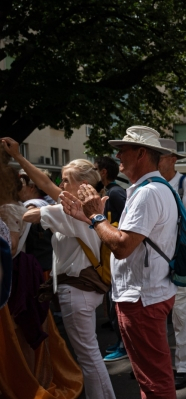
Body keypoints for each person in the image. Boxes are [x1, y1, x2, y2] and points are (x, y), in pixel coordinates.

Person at [60, 126, 179, 399]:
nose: (117, 155)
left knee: (155, 381)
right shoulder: (149, 189)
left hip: (142, 299)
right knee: (150, 378)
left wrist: (96, 217)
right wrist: (88, 216)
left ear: (140, 153)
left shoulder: (148, 192)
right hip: (144, 295)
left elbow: (122, 246)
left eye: (123, 150)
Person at [2, 137, 115, 399]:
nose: (61, 185)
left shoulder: (71, 211)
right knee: (91, 354)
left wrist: (22, 206)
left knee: (88, 357)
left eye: (66, 180)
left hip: (77, 289)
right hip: (87, 288)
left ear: (83, 184)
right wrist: (19, 157)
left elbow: (30, 215)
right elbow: (44, 182)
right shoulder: (93, 205)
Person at [158, 138, 186, 389]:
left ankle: (185, 366)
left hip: (179, 258)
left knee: (182, 316)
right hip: (156, 260)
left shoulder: (185, 184)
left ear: (172, 160)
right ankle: (162, 365)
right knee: (156, 317)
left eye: (160, 156)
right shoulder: (149, 183)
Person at [94, 156, 129, 363]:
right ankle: (121, 342)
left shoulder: (115, 192)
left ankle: (123, 345)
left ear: (104, 172)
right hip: (112, 256)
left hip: (117, 255)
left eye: (95, 168)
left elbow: (126, 222)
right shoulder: (112, 191)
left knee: (116, 303)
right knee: (112, 303)